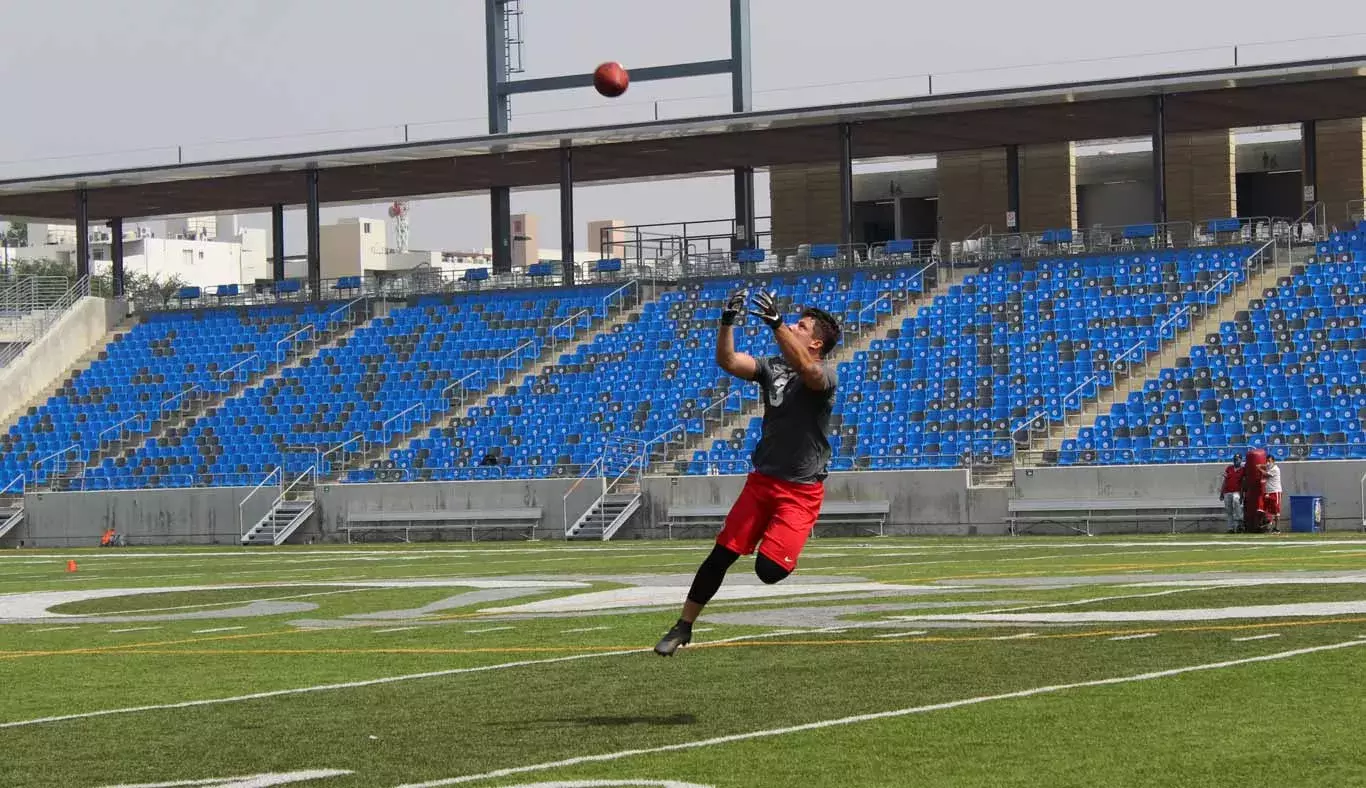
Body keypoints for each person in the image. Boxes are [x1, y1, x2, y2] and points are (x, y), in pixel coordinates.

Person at [654, 288, 841, 657]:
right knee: (721, 554)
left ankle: (782, 542)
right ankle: (684, 625)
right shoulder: (772, 366)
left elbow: (808, 370)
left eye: (800, 326)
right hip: (763, 480)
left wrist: (775, 324)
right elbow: (728, 361)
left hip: (800, 491)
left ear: (816, 342)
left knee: (769, 571)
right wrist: (727, 322)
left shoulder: (824, 375)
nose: (791, 326)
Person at [1220, 455, 1244, 533]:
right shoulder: (1229, 468)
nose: (1236, 461)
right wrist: (1221, 492)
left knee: (1237, 505)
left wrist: (1242, 494)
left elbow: (1243, 483)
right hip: (1227, 491)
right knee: (1229, 510)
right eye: (1235, 459)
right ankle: (1231, 528)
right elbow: (1225, 481)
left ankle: (1239, 525)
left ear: (1241, 460)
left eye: (1237, 459)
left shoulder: (1243, 469)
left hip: (1236, 491)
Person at [1262, 454, 1283, 533]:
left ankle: (1277, 528)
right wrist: (1260, 465)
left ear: (1273, 461)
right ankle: (1268, 524)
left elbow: (1265, 474)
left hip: (1275, 491)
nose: (1267, 463)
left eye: (1269, 461)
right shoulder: (1268, 467)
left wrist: (1259, 468)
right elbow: (1263, 466)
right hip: (1268, 491)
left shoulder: (1275, 469)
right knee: (1268, 510)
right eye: (1267, 461)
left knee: (1277, 510)